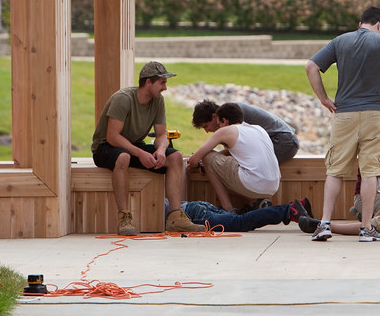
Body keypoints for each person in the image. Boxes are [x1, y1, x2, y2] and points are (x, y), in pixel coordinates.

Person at [305, 6, 380, 242]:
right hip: (375, 113)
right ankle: (366, 228)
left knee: (334, 170)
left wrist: (324, 98)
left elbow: (311, 67)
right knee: (371, 171)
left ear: (360, 24)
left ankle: (324, 223)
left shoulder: (340, 41)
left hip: (344, 114)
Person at [91, 61, 203, 235]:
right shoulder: (123, 99)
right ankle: (124, 218)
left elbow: (161, 135)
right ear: (148, 83)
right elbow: (112, 137)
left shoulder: (158, 101)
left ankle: (175, 217)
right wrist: (140, 153)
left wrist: (160, 150)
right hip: (105, 147)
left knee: (175, 157)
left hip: (133, 146)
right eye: (162, 82)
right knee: (123, 157)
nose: (165, 87)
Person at [186, 102, 281, 213]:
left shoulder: (224, 131)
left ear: (223, 120)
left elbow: (193, 160)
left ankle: (229, 210)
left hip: (254, 184)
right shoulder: (258, 129)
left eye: (206, 126)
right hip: (274, 187)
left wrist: (199, 164)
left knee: (207, 157)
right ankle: (255, 203)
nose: (207, 131)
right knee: (238, 163)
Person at [191, 100, 300, 164]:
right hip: (284, 140)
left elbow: (235, 150)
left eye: (206, 126)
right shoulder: (228, 114)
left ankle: (259, 200)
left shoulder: (232, 114)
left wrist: (207, 157)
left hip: (284, 141)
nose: (207, 131)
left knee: (246, 166)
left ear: (214, 117)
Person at [173, 197, 313, 232]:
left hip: (195, 215)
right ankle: (296, 207)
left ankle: (289, 211)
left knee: (241, 222)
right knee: (239, 220)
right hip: (194, 207)